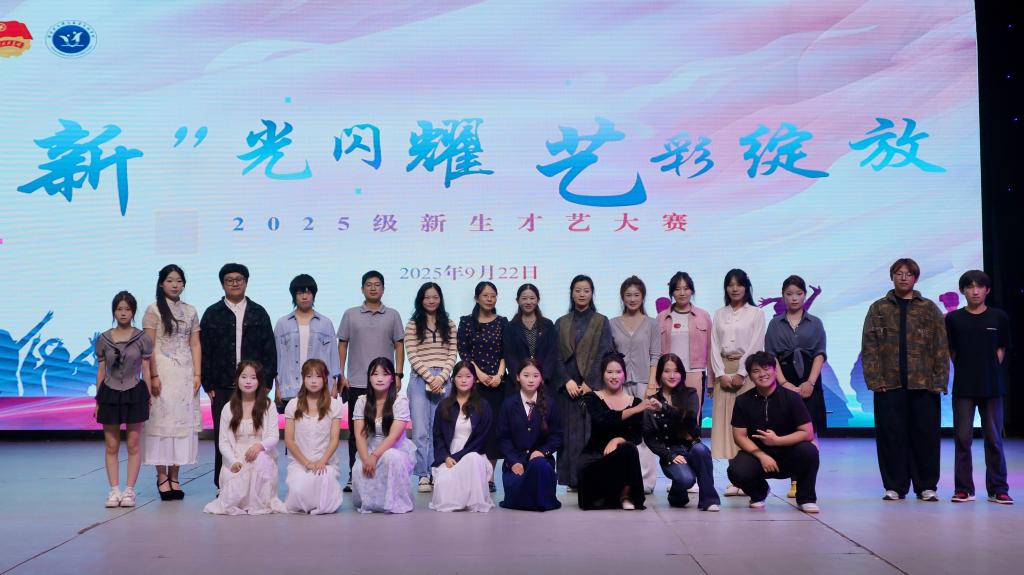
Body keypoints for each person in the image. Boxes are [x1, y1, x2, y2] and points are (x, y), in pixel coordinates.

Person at [861, 258, 949, 502]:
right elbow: (869, 346)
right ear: (892, 276)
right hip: (888, 384)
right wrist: (874, 379)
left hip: (924, 384)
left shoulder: (929, 308)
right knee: (891, 436)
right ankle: (894, 486)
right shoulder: (878, 308)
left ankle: (926, 486)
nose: (903, 277)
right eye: (899, 273)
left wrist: (939, 381)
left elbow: (940, 346)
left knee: (926, 436)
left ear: (915, 278)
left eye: (908, 274)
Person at [199, 263, 277, 488]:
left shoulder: (258, 312)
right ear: (222, 284)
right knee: (223, 436)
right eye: (229, 280)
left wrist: (267, 382)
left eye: (239, 279)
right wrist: (208, 383)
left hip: (254, 385)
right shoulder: (212, 313)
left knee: (255, 434)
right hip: (222, 385)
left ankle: (255, 482)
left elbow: (269, 349)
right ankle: (223, 483)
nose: (234, 283)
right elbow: (204, 349)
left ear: (246, 282)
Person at [945, 270, 1013, 504]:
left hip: (992, 386)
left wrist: (989, 369)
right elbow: (952, 351)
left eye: (979, 286)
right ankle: (964, 489)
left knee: (994, 439)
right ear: (963, 290)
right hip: (964, 387)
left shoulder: (998, 317)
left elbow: (1001, 349)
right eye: (970, 287)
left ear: (987, 290)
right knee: (962, 438)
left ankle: (998, 489)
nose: (975, 291)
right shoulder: (953, 319)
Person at [337, 271, 405, 492]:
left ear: (383, 288)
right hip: (357, 381)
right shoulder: (350, 314)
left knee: (385, 429)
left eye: (377, 285)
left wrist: (398, 374)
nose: (373, 288)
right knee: (357, 432)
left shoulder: (393, 315)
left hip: (385, 382)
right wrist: (341, 374)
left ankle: (383, 471)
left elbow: (399, 345)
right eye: (369, 284)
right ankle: (353, 474)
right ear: (362, 289)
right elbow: (342, 344)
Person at [727, 352, 820, 513]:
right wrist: (762, 455)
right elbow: (739, 436)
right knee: (736, 470)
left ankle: (806, 498)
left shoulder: (792, 398)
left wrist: (777, 441)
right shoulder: (743, 401)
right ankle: (759, 493)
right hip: (758, 456)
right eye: (756, 371)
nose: (762, 374)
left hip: (789, 453)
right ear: (750, 376)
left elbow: (807, 433)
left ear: (775, 371)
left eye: (766, 369)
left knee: (809, 451)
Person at [764, 275, 827, 499]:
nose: (794, 298)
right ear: (783, 296)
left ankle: (805, 482)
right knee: (789, 430)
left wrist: (810, 382)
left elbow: (820, 354)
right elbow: (771, 356)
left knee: (809, 433)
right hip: (784, 378)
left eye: (799, 294)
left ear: (804, 296)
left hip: (810, 379)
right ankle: (793, 480)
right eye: (789, 294)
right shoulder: (775, 324)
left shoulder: (815, 322)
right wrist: (783, 383)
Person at [142, 265, 202, 500]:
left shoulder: (190, 310)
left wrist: (197, 374)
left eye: (179, 281)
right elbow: (148, 347)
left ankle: (175, 476)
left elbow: (195, 344)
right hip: (162, 373)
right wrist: (153, 376)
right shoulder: (153, 310)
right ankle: (161, 476)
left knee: (181, 425)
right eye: (170, 280)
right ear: (161, 284)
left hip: (185, 374)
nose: (175, 285)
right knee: (161, 423)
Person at [554, 275, 615, 490]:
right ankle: (572, 480)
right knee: (569, 436)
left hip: (593, 388)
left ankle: (591, 478)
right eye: (578, 290)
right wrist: (566, 380)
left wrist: (590, 382)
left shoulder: (601, 321)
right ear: (571, 293)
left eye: (586, 290)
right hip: (568, 389)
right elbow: (555, 355)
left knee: (591, 433)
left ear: (592, 294)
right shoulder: (561, 322)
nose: (582, 294)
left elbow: (604, 353)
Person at [709, 269, 765, 499]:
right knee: (727, 426)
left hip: (747, 372)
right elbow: (713, 345)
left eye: (739, 284)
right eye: (730, 284)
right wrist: (720, 373)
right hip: (724, 372)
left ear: (746, 287)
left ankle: (748, 478)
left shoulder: (756, 313)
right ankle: (735, 479)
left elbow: (756, 344)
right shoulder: (719, 314)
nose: (735, 288)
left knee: (746, 426)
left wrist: (742, 373)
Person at [94, 291, 153, 508]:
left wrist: (148, 396)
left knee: (133, 444)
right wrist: (97, 400)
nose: (123, 313)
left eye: (127, 309)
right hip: (109, 393)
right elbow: (101, 371)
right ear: (113, 312)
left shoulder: (142, 338)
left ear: (133, 312)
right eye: (119, 309)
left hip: (134, 393)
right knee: (111, 445)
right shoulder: (103, 339)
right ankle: (114, 490)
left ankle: (129, 491)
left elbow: (146, 369)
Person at [577, 353, 658, 510]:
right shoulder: (592, 398)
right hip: (595, 458)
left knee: (629, 448)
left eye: (618, 372)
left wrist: (618, 440)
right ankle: (609, 495)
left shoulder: (635, 402)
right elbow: (604, 419)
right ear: (603, 374)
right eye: (609, 372)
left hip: (620, 458)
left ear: (624, 375)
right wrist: (635, 409)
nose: (614, 376)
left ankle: (626, 495)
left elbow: (636, 436)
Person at [203, 361, 285, 515]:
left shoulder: (268, 405)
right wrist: (233, 461)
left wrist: (259, 446)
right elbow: (223, 443)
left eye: (253, 378)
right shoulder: (228, 408)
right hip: (236, 459)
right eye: (244, 377)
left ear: (259, 381)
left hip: (261, 456)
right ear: (237, 379)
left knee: (260, 461)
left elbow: (274, 437)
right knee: (230, 498)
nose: (248, 381)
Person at [643, 353, 720, 511]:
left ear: (682, 373)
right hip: (671, 451)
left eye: (676, 371)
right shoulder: (652, 400)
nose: (672, 375)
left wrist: (664, 408)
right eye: (667, 371)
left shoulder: (690, 394)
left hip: (691, 446)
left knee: (701, 450)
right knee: (686, 479)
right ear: (659, 374)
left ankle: (709, 501)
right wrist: (669, 455)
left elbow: (690, 419)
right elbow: (650, 438)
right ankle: (676, 495)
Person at [405, 282, 458, 493]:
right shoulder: (412, 325)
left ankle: (437, 470)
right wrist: (430, 377)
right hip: (419, 379)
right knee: (420, 431)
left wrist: (442, 377)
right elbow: (412, 355)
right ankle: (423, 475)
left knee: (442, 429)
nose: (431, 301)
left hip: (444, 380)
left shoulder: (449, 324)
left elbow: (452, 354)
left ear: (440, 299)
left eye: (435, 297)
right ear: (421, 299)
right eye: (427, 297)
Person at [609, 276, 660, 493]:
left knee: (645, 432)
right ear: (622, 297)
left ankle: (646, 482)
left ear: (643, 297)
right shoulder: (612, 323)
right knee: (621, 431)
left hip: (643, 384)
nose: (632, 299)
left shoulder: (652, 324)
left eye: (636, 295)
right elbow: (610, 356)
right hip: (618, 385)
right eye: (628, 295)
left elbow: (655, 355)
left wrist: (651, 383)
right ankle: (623, 479)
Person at [496, 359, 563, 511]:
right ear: (518, 377)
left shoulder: (550, 404)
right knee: (517, 495)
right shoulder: (508, 405)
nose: (531, 380)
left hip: (540, 462)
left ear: (541, 378)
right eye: (526, 375)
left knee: (539, 466)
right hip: (515, 464)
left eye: (535, 376)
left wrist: (542, 452)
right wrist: (513, 461)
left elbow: (557, 436)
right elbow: (502, 438)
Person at [351, 357, 416, 514]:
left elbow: (393, 437)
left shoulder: (400, 401)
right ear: (369, 378)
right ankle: (374, 502)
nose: (380, 379)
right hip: (368, 450)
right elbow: (359, 435)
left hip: (395, 449)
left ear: (392, 378)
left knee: (390, 457)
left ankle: (394, 501)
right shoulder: (362, 401)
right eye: (375, 374)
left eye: (385, 374)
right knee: (359, 468)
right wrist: (366, 458)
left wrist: (374, 456)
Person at [429, 361, 494, 512]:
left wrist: (458, 457)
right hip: (449, 457)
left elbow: (481, 440)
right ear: (453, 379)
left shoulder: (483, 406)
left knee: (473, 459)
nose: (463, 380)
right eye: (459, 376)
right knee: (445, 498)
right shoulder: (444, 405)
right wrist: (446, 457)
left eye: (468, 376)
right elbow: (437, 436)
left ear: (475, 379)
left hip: (473, 454)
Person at [283, 359, 343, 514]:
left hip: (325, 462)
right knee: (298, 492)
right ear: (303, 379)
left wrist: (322, 461)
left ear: (325, 379)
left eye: (318, 376)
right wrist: (307, 463)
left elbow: (334, 439)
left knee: (325, 480)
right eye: (309, 376)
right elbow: (289, 440)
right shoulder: (293, 405)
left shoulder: (334, 405)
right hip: (300, 463)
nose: (313, 381)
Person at [274, 274, 340, 414]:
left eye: (308, 292)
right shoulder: (282, 323)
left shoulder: (325, 323)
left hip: (320, 388)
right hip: (290, 387)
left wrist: (334, 384)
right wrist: (277, 386)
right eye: (300, 293)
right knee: (293, 424)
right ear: (294, 296)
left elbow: (333, 355)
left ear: (314, 295)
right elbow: (277, 358)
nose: (305, 297)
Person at [656, 271, 712, 411]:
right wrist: (656, 381)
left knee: (693, 417)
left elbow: (711, 349)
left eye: (686, 288)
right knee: (668, 416)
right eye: (677, 289)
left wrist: (711, 381)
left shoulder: (703, 316)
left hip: (695, 373)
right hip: (669, 375)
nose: (682, 293)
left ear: (692, 291)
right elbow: (656, 351)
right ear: (671, 292)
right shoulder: (661, 317)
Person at [503, 283, 567, 396]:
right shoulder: (510, 327)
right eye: (524, 298)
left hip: (545, 383)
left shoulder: (548, 325)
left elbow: (552, 353)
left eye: (532, 298)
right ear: (517, 301)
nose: (528, 302)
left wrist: (542, 377)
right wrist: (522, 378)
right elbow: (510, 356)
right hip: (518, 385)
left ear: (538, 300)